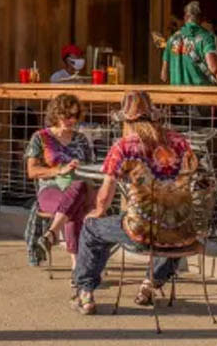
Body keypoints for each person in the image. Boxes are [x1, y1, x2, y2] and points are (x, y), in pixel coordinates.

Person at [71, 91, 197, 315]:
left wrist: (97, 211)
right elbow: (193, 174)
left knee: (91, 229)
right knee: (173, 231)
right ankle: (150, 284)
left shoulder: (124, 147)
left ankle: (85, 293)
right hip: (182, 227)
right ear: (155, 117)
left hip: (141, 229)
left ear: (126, 120)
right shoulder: (179, 141)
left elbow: (104, 196)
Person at [25, 94, 94, 273]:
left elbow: (90, 167)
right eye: (66, 115)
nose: (71, 120)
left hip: (78, 186)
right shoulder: (40, 138)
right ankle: (77, 264)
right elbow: (31, 171)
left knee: (77, 190)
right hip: (50, 188)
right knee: (73, 207)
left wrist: (80, 167)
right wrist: (59, 170)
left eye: (75, 116)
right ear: (56, 114)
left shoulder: (81, 139)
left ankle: (52, 233)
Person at [160, 1, 217, 86]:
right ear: (201, 18)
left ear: (185, 17)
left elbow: (163, 76)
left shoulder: (172, 39)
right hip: (198, 94)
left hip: (176, 95)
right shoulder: (206, 38)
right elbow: (213, 67)